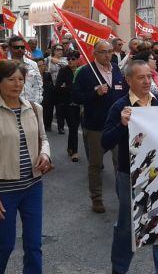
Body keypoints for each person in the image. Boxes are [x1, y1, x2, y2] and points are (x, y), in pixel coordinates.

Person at [102, 60, 158, 274]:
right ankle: (119, 269)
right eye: (141, 77)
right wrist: (121, 125)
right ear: (128, 80)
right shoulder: (120, 107)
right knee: (128, 228)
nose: (147, 81)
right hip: (129, 176)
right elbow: (105, 143)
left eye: (149, 76)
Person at [0, 60, 51, 274]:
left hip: (33, 187)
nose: (17, 84)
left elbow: (43, 138)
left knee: (34, 245)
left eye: (20, 79)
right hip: (4, 191)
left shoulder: (34, 109)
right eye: (11, 80)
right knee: (5, 245)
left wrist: (45, 153)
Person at [72, 40, 128, 213]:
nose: (108, 55)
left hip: (117, 125)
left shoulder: (117, 69)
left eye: (110, 51)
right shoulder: (86, 72)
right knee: (96, 164)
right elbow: (76, 97)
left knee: (121, 163)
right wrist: (95, 93)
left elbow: (124, 92)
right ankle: (96, 198)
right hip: (96, 126)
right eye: (103, 52)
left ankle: (124, 197)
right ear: (94, 53)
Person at [55, 50, 82, 162]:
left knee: (75, 127)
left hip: (80, 104)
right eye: (68, 59)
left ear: (78, 60)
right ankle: (75, 151)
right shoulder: (63, 70)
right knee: (73, 127)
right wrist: (70, 89)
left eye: (73, 59)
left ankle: (70, 147)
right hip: (68, 104)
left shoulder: (82, 70)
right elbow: (57, 87)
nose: (70, 61)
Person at [8, 35, 42, 104]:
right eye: (16, 47)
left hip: (30, 106)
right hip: (11, 106)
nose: (20, 49)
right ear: (10, 48)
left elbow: (38, 86)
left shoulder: (33, 64)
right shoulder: (4, 65)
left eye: (22, 47)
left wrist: (36, 103)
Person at [43, 44, 68, 133]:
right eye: (57, 49)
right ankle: (47, 125)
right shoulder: (47, 59)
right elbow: (42, 67)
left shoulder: (65, 60)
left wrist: (57, 61)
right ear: (53, 51)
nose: (60, 51)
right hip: (50, 85)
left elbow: (66, 65)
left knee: (60, 108)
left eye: (61, 49)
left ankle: (61, 127)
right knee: (48, 107)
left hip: (60, 87)